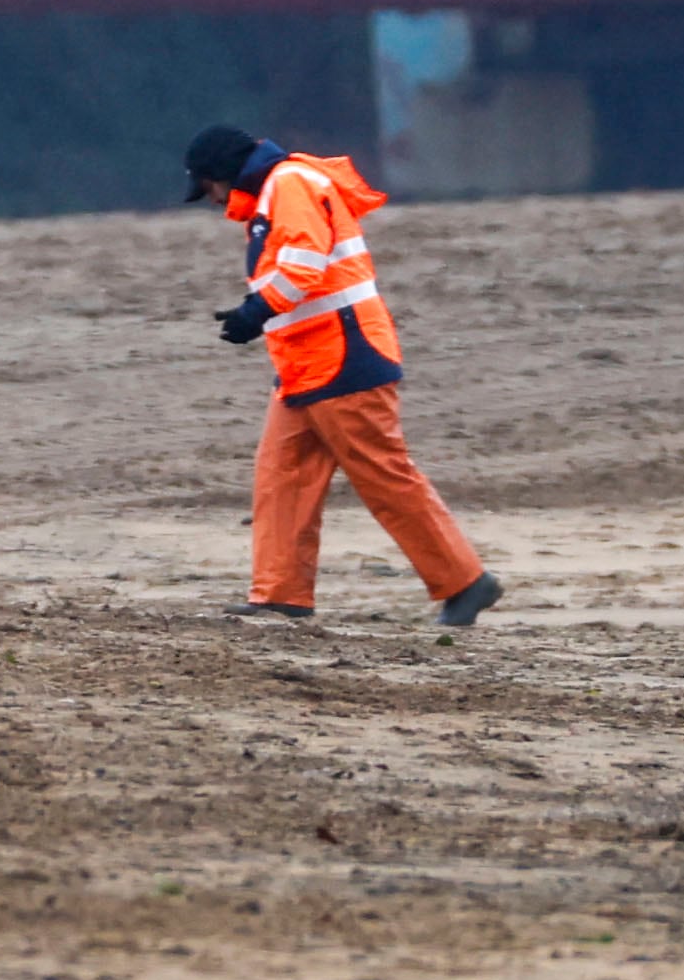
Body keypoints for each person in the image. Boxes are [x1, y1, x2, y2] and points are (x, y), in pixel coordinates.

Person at [183, 124, 503, 629]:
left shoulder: (289, 185)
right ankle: (280, 595)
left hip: (344, 354)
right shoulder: (281, 187)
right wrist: (260, 315)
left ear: (221, 174)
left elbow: (304, 264)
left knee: (384, 477)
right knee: (281, 476)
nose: (210, 199)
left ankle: (466, 582)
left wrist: (255, 313)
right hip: (306, 361)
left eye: (206, 188)